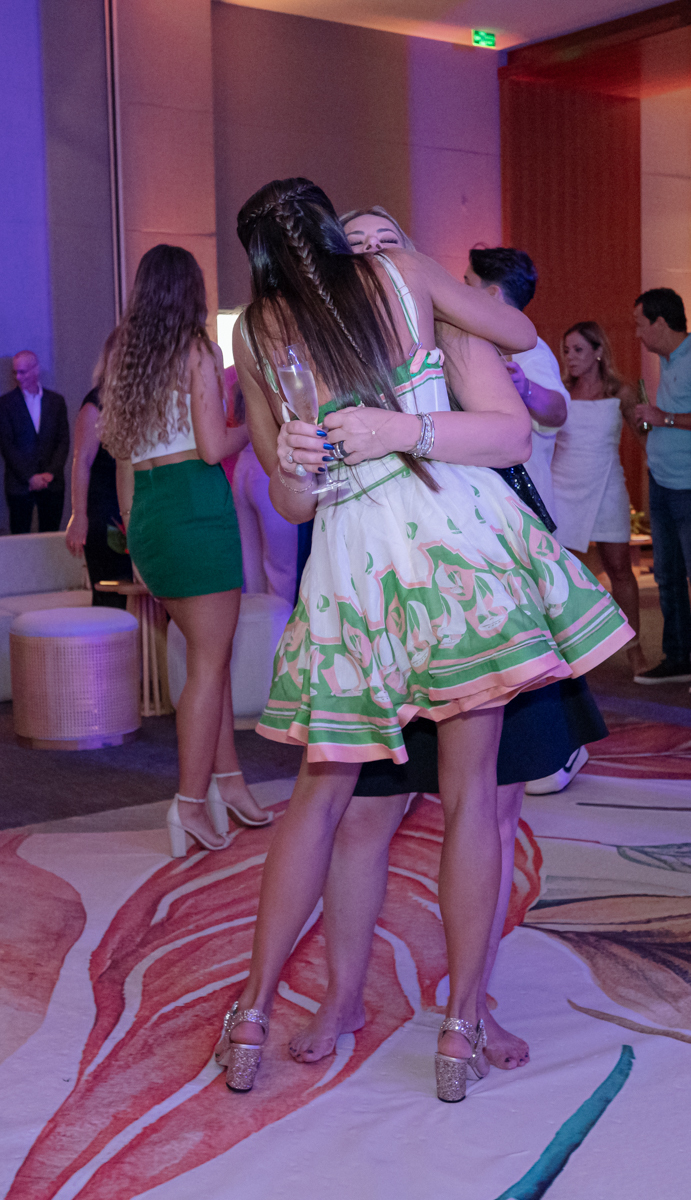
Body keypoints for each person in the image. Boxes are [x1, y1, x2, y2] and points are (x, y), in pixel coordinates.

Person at [214, 177, 631, 1102]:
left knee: (472, 800)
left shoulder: (358, 297)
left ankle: (448, 1014)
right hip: (393, 570)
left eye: (384, 237)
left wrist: (395, 425)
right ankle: (397, 1015)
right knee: (377, 806)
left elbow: (511, 416)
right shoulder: (300, 320)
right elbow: (290, 498)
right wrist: (296, 469)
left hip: (431, 564)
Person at [99, 244, 273, 855]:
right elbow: (211, 447)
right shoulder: (198, 350)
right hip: (196, 507)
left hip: (150, 512)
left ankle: (228, 784)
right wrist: (258, 427)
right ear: (191, 291)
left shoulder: (123, 352)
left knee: (210, 660)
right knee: (208, 665)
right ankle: (190, 803)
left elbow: (122, 457)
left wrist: (135, 538)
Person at [551, 322, 646, 678]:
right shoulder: (560, 392)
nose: (570, 357)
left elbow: (645, 437)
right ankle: (570, 650)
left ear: (598, 351)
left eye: (578, 350)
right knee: (563, 572)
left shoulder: (621, 392)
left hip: (607, 483)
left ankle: (635, 649)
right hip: (563, 487)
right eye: (566, 351)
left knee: (620, 567)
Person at [462, 247, 568, 521]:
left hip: (523, 508)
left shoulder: (530, 350)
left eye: (467, 283)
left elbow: (558, 412)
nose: (460, 292)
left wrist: (525, 388)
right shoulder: (479, 344)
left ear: (493, 294)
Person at [633, 288, 691, 685]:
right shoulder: (667, 359)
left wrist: (663, 418)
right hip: (662, 480)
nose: (638, 334)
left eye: (640, 325)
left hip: (687, 485)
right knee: (667, 576)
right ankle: (678, 657)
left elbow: (672, 416)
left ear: (660, 322)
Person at [65, 333, 133, 607]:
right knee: (111, 595)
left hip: (134, 507)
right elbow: (81, 461)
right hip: (106, 510)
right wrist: (78, 515)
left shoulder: (139, 401)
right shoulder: (96, 403)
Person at [225, 366, 299, 606]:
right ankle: (281, 626)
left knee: (250, 565)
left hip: (243, 467)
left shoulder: (236, 376)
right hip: (268, 466)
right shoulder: (277, 373)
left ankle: (258, 626)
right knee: (281, 569)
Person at [0, 350, 69, 533]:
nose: (18, 377)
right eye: (15, 372)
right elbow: (7, 446)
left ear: (36, 369)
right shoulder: (5, 404)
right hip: (19, 486)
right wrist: (30, 477)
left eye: (22, 372)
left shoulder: (56, 401)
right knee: (20, 538)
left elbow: (63, 441)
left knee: (50, 537)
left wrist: (50, 473)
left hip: (52, 484)